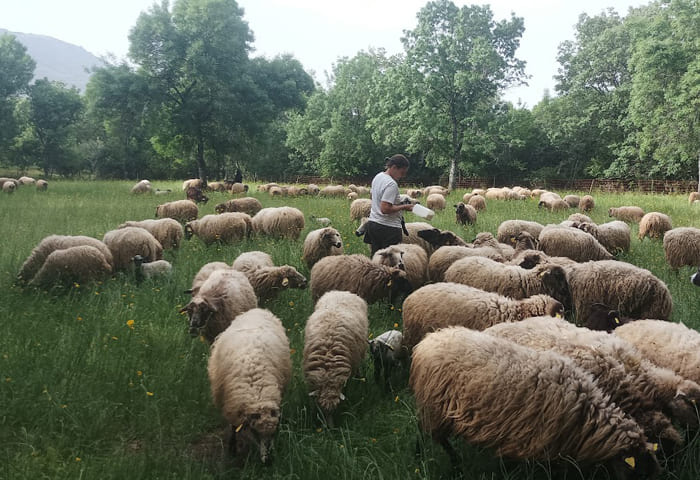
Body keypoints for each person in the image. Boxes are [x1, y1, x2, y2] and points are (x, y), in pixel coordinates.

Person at [364, 154, 413, 255]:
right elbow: (385, 209)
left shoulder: (378, 177)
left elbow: (372, 197)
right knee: (390, 262)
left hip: (374, 223)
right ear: (394, 167)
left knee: (376, 258)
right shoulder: (391, 184)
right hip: (388, 228)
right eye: (402, 172)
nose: (403, 176)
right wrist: (405, 207)